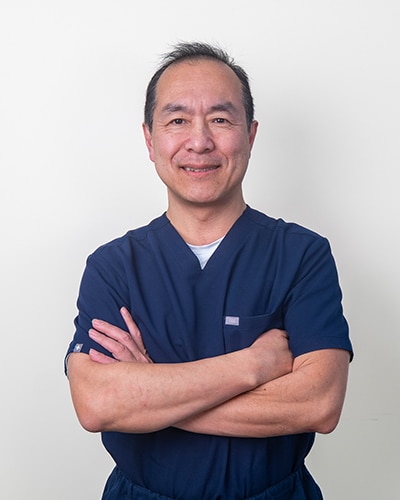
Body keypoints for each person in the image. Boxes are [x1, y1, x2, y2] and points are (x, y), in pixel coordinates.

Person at [65, 42, 353, 500]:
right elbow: (98, 403)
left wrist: (148, 398)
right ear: (150, 139)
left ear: (250, 135)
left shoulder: (302, 255)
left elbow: (318, 404)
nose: (199, 142)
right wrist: (252, 366)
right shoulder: (113, 267)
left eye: (220, 119)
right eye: (177, 121)